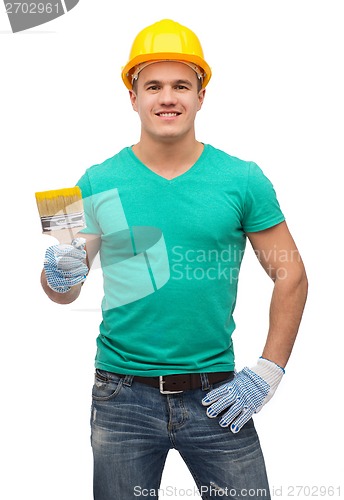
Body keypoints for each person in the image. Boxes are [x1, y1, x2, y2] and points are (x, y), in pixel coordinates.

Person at [40, 19, 308, 500]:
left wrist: (268, 371)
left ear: (201, 95)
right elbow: (63, 293)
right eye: (154, 86)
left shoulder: (242, 179)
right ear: (133, 96)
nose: (168, 98)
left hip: (217, 394)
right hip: (120, 397)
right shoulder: (94, 180)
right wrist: (57, 274)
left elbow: (292, 275)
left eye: (181, 85)